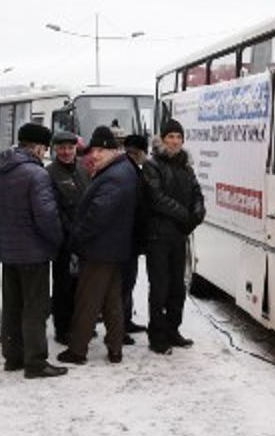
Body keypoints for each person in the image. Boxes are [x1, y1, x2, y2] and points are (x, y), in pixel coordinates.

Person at [57, 126, 139, 366]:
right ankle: (115, 348)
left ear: (114, 150)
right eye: (94, 150)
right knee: (112, 300)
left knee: (87, 301)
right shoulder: (121, 169)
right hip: (113, 248)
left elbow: (98, 214)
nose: (96, 155)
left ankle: (77, 350)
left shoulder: (116, 175)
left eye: (102, 150)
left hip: (99, 249)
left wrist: (77, 238)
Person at [0, 123, 67, 379]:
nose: (45, 152)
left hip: (8, 250)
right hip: (33, 252)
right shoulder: (36, 174)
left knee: (12, 306)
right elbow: (46, 215)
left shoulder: (0, 170)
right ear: (37, 146)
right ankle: (35, 362)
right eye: (45, 147)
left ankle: (13, 357)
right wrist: (57, 240)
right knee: (35, 308)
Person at [143, 119, 206, 353]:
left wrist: (198, 213)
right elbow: (156, 198)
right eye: (170, 137)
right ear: (162, 139)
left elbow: (197, 193)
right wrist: (185, 215)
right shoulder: (152, 165)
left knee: (177, 288)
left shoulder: (186, 167)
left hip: (179, 236)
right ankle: (157, 336)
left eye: (179, 137)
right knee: (159, 288)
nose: (175, 141)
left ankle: (173, 330)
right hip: (158, 236)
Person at [46, 129, 90, 344]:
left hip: (84, 239)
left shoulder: (83, 169)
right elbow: (53, 209)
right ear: (55, 149)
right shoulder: (49, 173)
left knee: (82, 286)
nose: (66, 152)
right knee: (63, 287)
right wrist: (70, 232)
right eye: (61, 148)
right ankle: (62, 329)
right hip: (63, 241)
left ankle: (79, 325)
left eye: (70, 148)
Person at [121, 133, 150, 338]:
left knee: (127, 283)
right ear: (139, 152)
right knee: (124, 284)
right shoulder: (128, 172)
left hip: (128, 239)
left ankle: (125, 321)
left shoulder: (129, 169)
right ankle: (120, 326)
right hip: (125, 240)